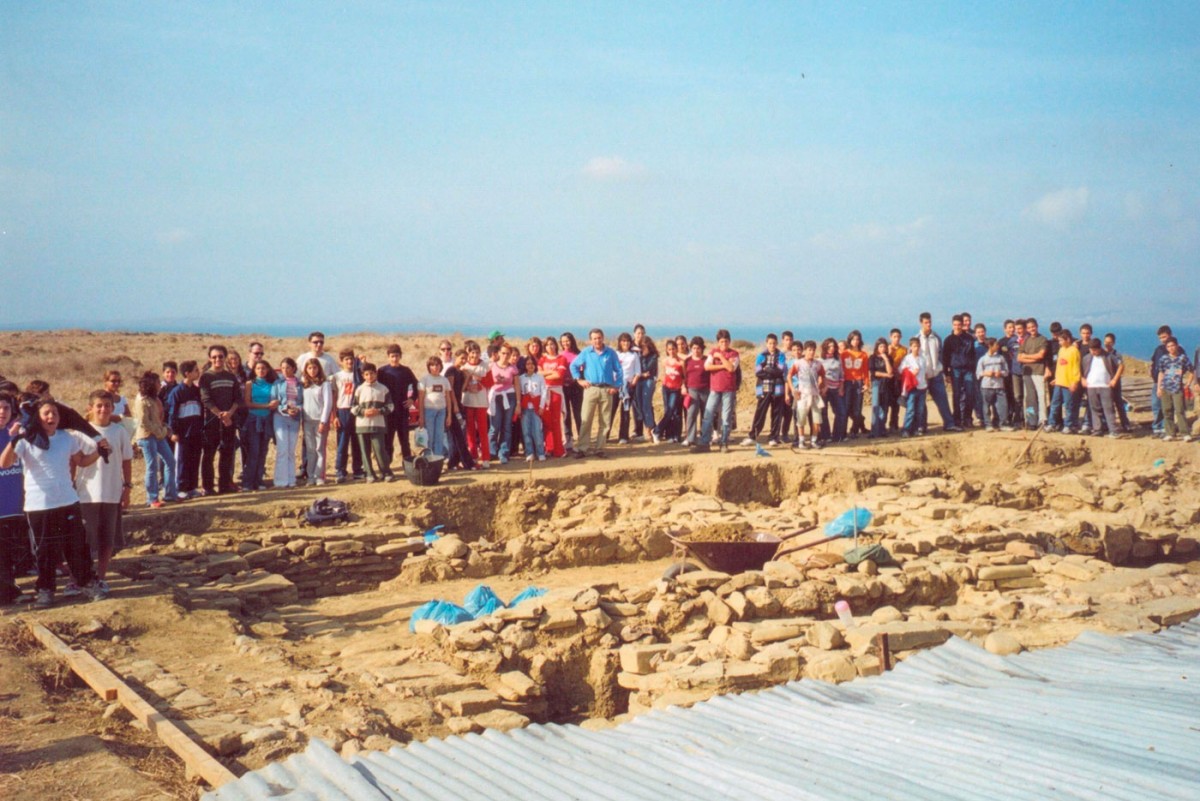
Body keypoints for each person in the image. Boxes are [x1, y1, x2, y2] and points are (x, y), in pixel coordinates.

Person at [1, 400, 104, 607]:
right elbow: (4, 463)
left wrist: (99, 452)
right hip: (39, 505)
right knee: (45, 551)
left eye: (55, 414)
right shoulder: (26, 440)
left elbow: (81, 461)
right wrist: (15, 440)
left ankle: (87, 584)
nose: (51, 418)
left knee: (77, 547)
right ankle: (46, 591)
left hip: (68, 501)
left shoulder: (67, 438)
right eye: (47, 414)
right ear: (38, 417)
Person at [75, 390, 132, 596]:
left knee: (107, 539)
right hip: (86, 493)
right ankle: (83, 578)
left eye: (107, 405)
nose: (103, 409)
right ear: (91, 407)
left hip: (111, 491)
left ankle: (101, 577)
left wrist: (127, 488)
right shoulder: (81, 432)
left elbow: (126, 460)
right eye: (99, 405)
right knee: (86, 539)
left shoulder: (119, 432)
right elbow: (74, 461)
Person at [570, 329, 621, 458]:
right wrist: (579, 380)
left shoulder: (610, 353)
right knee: (586, 419)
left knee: (605, 421)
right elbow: (573, 366)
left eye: (599, 338)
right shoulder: (586, 352)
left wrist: (616, 386)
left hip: (606, 389)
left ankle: (600, 449)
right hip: (590, 389)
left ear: (603, 338)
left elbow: (619, 371)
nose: (597, 340)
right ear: (590, 340)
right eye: (594, 338)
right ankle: (582, 448)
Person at [199, 345, 240, 495]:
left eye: (221, 356)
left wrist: (229, 415)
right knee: (209, 455)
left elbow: (237, 399)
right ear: (210, 358)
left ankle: (224, 485)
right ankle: (208, 487)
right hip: (211, 422)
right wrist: (220, 415)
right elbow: (206, 399)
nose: (218, 359)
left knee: (227, 454)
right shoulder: (205, 377)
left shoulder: (231, 377)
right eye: (214, 357)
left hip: (229, 421)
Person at [0, 393, 29, 606]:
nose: (2, 412)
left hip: (16, 506)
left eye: (6, 408)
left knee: (11, 553)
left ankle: (10, 587)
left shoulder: (19, 434)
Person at [133, 371, 177, 506]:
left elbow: (157, 419)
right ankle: (152, 499)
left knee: (170, 461)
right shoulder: (142, 399)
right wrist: (161, 432)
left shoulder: (154, 398)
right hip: (147, 436)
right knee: (152, 466)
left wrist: (163, 429)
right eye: (158, 382)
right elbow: (144, 422)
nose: (160, 385)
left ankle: (170, 495)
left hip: (158, 434)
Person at [351, 363, 395, 481]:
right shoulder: (359, 389)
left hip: (378, 424)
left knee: (380, 449)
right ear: (363, 375)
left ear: (376, 373)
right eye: (366, 374)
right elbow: (353, 407)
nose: (369, 376)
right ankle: (370, 474)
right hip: (362, 424)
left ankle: (386, 472)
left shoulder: (383, 389)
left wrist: (379, 411)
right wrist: (363, 412)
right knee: (365, 451)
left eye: (371, 373)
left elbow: (390, 406)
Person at [378, 344, 420, 467]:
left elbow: (417, 385)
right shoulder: (382, 371)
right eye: (392, 356)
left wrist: (412, 399)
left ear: (400, 356)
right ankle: (386, 467)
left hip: (402, 410)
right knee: (388, 441)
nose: (394, 359)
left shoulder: (406, 371)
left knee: (404, 441)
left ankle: (407, 466)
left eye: (396, 356)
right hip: (388, 412)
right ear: (388, 357)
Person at [698, 330, 739, 453]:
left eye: (726, 341)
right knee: (708, 415)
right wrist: (723, 366)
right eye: (721, 341)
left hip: (729, 389)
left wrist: (720, 357)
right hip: (715, 389)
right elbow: (707, 367)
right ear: (718, 342)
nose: (724, 344)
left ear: (729, 341)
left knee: (726, 417)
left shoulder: (734, 354)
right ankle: (705, 442)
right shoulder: (712, 353)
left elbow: (732, 368)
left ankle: (724, 442)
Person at [917, 312, 959, 433]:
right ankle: (921, 426)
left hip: (936, 375)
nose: (928, 324)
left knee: (943, 400)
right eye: (926, 322)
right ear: (921, 323)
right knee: (921, 403)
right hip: (923, 377)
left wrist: (943, 371)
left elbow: (941, 356)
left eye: (930, 322)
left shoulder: (936, 338)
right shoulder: (917, 339)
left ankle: (949, 424)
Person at [241, 359, 278, 491]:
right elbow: (248, 403)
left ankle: (259, 480)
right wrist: (266, 406)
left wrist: (273, 405)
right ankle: (247, 483)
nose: (261, 371)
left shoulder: (272, 384)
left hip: (267, 420)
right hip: (253, 420)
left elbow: (275, 401)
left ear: (267, 370)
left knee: (263, 451)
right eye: (258, 368)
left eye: (263, 368)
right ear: (254, 370)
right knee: (254, 451)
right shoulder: (250, 384)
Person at [169, 360, 204, 498]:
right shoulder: (177, 392)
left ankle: (192, 487)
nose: (198, 372)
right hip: (183, 433)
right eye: (195, 370)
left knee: (195, 459)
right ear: (187, 373)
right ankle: (181, 487)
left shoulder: (196, 391)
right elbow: (172, 414)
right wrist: (174, 431)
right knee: (182, 460)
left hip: (196, 431)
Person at [747, 334, 787, 446]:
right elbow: (758, 372)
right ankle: (753, 436)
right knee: (760, 412)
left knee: (776, 413)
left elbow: (780, 370)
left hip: (777, 389)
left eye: (774, 343)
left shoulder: (781, 355)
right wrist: (772, 372)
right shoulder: (761, 355)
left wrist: (767, 369)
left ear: (777, 343)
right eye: (770, 343)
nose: (772, 345)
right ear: (766, 343)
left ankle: (773, 437)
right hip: (764, 388)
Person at [331, 348, 365, 482]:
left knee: (357, 442)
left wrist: (362, 362)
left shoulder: (359, 374)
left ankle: (357, 469)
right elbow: (334, 397)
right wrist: (334, 416)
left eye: (351, 359)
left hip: (356, 410)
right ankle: (340, 470)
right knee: (342, 442)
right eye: (346, 359)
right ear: (341, 362)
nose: (349, 361)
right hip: (343, 410)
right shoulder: (337, 376)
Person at [300, 357, 333, 485]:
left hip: (320, 421)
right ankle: (310, 476)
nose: (312, 370)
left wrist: (324, 421)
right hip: (307, 421)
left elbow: (328, 403)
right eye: (309, 368)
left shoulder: (324, 384)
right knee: (310, 449)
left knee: (320, 449)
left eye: (314, 368)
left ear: (319, 369)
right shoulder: (304, 384)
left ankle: (319, 476)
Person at [786, 340, 824, 449]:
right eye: (809, 350)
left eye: (813, 350)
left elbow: (822, 375)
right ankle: (801, 441)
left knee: (817, 419)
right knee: (801, 419)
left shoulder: (818, 364)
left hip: (815, 395)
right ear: (805, 351)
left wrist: (822, 386)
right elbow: (789, 377)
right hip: (803, 395)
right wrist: (793, 390)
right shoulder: (798, 363)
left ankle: (814, 441)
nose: (811, 352)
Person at [442, 348, 476, 471]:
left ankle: (453, 462)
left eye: (465, 359)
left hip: (458, 404)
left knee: (457, 435)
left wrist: (467, 377)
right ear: (455, 357)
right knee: (457, 436)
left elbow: (461, 390)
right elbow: (449, 390)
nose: (464, 361)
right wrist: (455, 406)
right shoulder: (451, 370)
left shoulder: (459, 371)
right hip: (451, 405)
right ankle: (467, 463)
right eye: (462, 358)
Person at [272, 357, 303, 489]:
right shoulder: (277, 383)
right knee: (282, 449)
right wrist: (284, 409)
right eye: (283, 368)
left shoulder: (300, 384)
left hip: (295, 418)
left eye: (288, 368)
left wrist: (298, 409)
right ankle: (280, 481)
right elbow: (274, 401)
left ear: (293, 368)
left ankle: (291, 479)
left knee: (291, 450)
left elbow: (303, 402)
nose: (285, 370)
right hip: (280, 417)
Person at [1081, 339, 1121, 438]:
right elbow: (1080, 370)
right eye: (1091, 350)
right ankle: (1097, 429)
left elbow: (1121, 365)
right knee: (1094, 409)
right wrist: (1083, 380)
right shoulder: (1086, 358)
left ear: (1099, 348)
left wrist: (1115, 379)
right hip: (1091, 386)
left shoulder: (1108, 356)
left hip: (1105, 386)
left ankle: (1113, 431)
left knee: (1109, 409)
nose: (1093, 352)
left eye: (1095, 350)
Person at [460, 341, 491, 467]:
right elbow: (460, 384)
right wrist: (467, 387)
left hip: (481, 402)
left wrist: (480, 381)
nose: (475, 355)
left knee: (483, 430)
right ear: (468, 353)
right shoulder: (464, 366)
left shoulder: (485, 366)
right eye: (472, 352)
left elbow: (490, 382)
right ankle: (473, 456)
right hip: (467, 401)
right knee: (470, 431)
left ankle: (485, 458)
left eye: (477, 352)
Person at [1155, 337, 1193, 441]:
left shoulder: (1183, 358)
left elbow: (1191, 371)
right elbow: (1161, 373)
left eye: (1172, 345)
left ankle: (1185, 433)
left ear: (1177, 345)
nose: (1171, 348)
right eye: (1168, 346)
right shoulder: (1163, 359)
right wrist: (1159, 388)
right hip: (1165, 388)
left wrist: (1188, 384)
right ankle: (1170, 433)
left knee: (1180, 410)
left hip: (1177, 388)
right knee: (1167, 411)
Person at [489, 344, 521, 464]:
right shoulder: (492, 366)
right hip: (496, 397)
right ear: (498, 353)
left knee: (507, 426)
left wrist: (518, 403)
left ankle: (503, 452)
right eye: (503, 353)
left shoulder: (513, 368)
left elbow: (517, 385)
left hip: (510, 396)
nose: (505, 356)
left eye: (508, 353)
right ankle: (491, 451)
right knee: (494, 426)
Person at [943, 315, 977, 429]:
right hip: (955, 370)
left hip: (968, 370)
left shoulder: (969, 338)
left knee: (969, 394)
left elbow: (973, 355)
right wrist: (946, 373)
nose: (957, 327)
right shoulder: (948, 340)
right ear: (952, 325)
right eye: (955, 325)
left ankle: (967, 418)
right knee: (956, 395)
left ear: (963, 325)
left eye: (959, 325)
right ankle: (957, 419)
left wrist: (973, 369)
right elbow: (945, 357)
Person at [1047, 329, 1082, 433]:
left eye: (1061, 340)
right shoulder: (1061, 350)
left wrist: (1075, 382)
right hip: (1059, 382)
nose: (1059, 343)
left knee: (1068, 405)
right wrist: (1056, 378)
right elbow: (1059, 366)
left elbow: (1076, 368)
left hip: (1069, 383)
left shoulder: (1074, 351)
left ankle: (1068, 425)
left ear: (1068, 339)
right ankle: (1052, 423)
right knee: (1055, 404)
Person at [538, 337, 568, 457]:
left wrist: (545, 375)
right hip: (544, 393)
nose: (550, 347)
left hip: (556, 392)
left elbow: (559, 375)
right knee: (546, 421)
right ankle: (549, 448)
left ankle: (559, 449)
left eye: (552, 344)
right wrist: (551, 373)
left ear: (556, 345)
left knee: (556, 420)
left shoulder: (562, 358)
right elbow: (538, 374)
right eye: (547, 345)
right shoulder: (542, 359)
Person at [418, 355, 453, 458]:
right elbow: (420, 399)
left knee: (439, 436)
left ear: (440, 366)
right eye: (432, 365)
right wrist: (421, 416)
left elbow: (448, 398)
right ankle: (428, 460)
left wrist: (449, 415)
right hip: (429, 411)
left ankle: (438, 461)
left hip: (441, 411)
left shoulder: (444, 380)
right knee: (430, 437)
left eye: (437, 365)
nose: (435, 367)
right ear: (429, 367)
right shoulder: (424, 379)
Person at [1018, 318, 1049, 429]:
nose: (1031, 329)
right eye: (1029, 327)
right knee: (1029, 398)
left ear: (1037, 326)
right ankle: (1031, 421)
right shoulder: (1026, 341)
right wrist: (1033, 358)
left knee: (1041, 396)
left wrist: (1026, 356)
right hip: (1027, 372)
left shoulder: (1043, 339)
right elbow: (1019, 358)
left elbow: (1041, 355)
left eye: (1033, 327)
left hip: (1038, 371)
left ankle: (1042, 420)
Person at [518, 352, 549, 461]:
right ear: (525, 366)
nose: (530, 366)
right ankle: (529, 452)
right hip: (525, 408)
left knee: (537, 431)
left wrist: (541, 406)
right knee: (526, 431)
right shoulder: (521, 378)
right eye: (527, 364)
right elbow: (520, 392)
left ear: (535, 365)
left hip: (536, 408)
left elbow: (544, 392)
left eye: (532, 364)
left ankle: (540, 452)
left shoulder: (539, 377)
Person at [975, 338, 1011, 432]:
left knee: (1003, 406)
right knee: (986, 406)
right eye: (996, 345)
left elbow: (1006, 371)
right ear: (990, 346)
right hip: (987, 386)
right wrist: (986, 373)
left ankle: (1002, 424)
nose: (998, 346)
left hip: (999, 386)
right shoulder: (983, 359)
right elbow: (978, 373)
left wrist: (1001, 373)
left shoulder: (1001, 358)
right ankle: (988, 425)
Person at [612, 333, 641, 445]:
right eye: (623, 341)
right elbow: (611, 369)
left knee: (625, 411)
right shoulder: (615, 354)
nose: (626, 343)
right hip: (615, 385)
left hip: (628, 387)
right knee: (611, 410)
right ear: (620, 342)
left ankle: (623, 436)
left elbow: (637, 371)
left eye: (628, 341)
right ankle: (605, 435)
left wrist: (633, 381)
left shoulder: (634, 355)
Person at [655, 339, 684, 444]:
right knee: (668, 411)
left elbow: (684, 376)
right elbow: (663, 373)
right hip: (666, 388)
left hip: (676, 389)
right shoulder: (665, 361)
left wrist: (683, 386)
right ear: (667, 350)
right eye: (669, 349)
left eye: (673, 349)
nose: (671, 351)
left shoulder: (680, 362)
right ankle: (669, 435)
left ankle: (660, 431)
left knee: (675, 412)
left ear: (676, 349)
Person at [682, 336, 709, 447]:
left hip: (706, 390)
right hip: (692, 390)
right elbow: (684, 376)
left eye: (698, 348)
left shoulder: (707, 359)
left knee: (706, 415)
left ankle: (705, 438)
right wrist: (683, 386)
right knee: (691, 413)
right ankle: (691, 438)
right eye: (693, 348)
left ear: (702, 348)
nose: (696, 350)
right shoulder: (687, 361)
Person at [841, 331, 870, 437]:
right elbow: (841, 370)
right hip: (847, 383)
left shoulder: (863, 355)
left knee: (857, 408)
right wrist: (841, 384)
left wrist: (866, 384)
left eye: (857, 339)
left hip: (858, 382)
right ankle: (842, 432)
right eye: (853, 339)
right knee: (846, 407)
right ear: (849, 340)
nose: (855, 341)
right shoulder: (844, 354)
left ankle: (854, 430)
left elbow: (865, 371)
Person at [818, 338, 846, 443]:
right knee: (823, 413)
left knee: (841, 412)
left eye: (833, 346)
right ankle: (826, 436)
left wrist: (841, 387)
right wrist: (823, 388)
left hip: (836, 388)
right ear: (825, 347)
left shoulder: (838, 358)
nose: (832, 348)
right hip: (825, 389)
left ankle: (837, 436)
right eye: (829, 346)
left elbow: (841, 374)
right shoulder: (820, 360)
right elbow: (819, 376)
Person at [1103, 333, 1133, 433]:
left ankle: (1125, 424)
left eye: (1110, 342)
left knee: (1119, 403)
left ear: (1114, 343)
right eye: (1106, 342)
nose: (1107, 344)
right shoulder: (1101, 353)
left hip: (1115, 382)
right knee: (1106, 404)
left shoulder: (1117, 354)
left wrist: (1115, 379)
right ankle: (1106, 424)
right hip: (1104, 383)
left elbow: (1121, 367)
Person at [899, 337, 928, 438]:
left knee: (920, 409)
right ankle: (906, 429)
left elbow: (925, 372)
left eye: (918, 346)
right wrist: (911, 373)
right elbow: (900, 370)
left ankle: (916, 428)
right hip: (912, 387)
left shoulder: (922, 358)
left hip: (922, 387)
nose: (916, 348)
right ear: (910, 347)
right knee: (910, 409)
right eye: (914, 346)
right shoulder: (907, 358)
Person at [558, 333, 583, 452]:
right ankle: (568, 439)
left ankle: (582, 438)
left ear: (572, 341)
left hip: (576, 386)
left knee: (578, 413)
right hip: (563, 387)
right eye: (563, 341)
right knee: (566, 414)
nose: (565, 343)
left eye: (567, 341)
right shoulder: (560, 356)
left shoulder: (579, 354)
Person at [1149, 325, 1173, 434]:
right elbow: (1153, 362)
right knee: (1156, 405)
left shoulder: (1176, 349)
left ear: (1170, 335)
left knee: (1167, 406)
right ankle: (1157, 427)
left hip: (1170, 382)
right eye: (1160, 338)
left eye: (1164, 337)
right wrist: (1151, 371)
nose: (1163, 340)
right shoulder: (1158, 349)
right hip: (1156, 381)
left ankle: (1166, 427)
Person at [634, 336, 659, 442]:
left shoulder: (653, 356)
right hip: (639, 381)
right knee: (640, 405)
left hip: (648, 382)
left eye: (645, 346)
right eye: (642, 346)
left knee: (646, 405)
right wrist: (641, 374)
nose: (643, 348)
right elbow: (638, 369)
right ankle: (648, 429)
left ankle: (650, 430)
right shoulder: (637, 355)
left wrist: (643, 357)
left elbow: (647, 369)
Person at [868, 338, 894, 438]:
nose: (883, 348)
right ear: (877, 347)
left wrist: (886, 359)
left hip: (886, 385)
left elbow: (890, 371)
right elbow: (873, 372)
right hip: (876, 383)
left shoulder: (889, 358)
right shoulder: (872, 358)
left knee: (884, 407)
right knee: (876, 406)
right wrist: (886, 375)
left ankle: (882, 429)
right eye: (880, 346)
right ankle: (874, 430)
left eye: (884, 346)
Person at [887, 329, 906, 432]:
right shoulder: (887, 348)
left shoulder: (904, 350)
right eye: (894, 336)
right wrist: (889, 353)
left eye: (898, 336)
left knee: (896, 403)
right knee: (886, 402)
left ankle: (894, 424)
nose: (896, 339)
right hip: (888, 379)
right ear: (890, 337)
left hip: (898, 379)